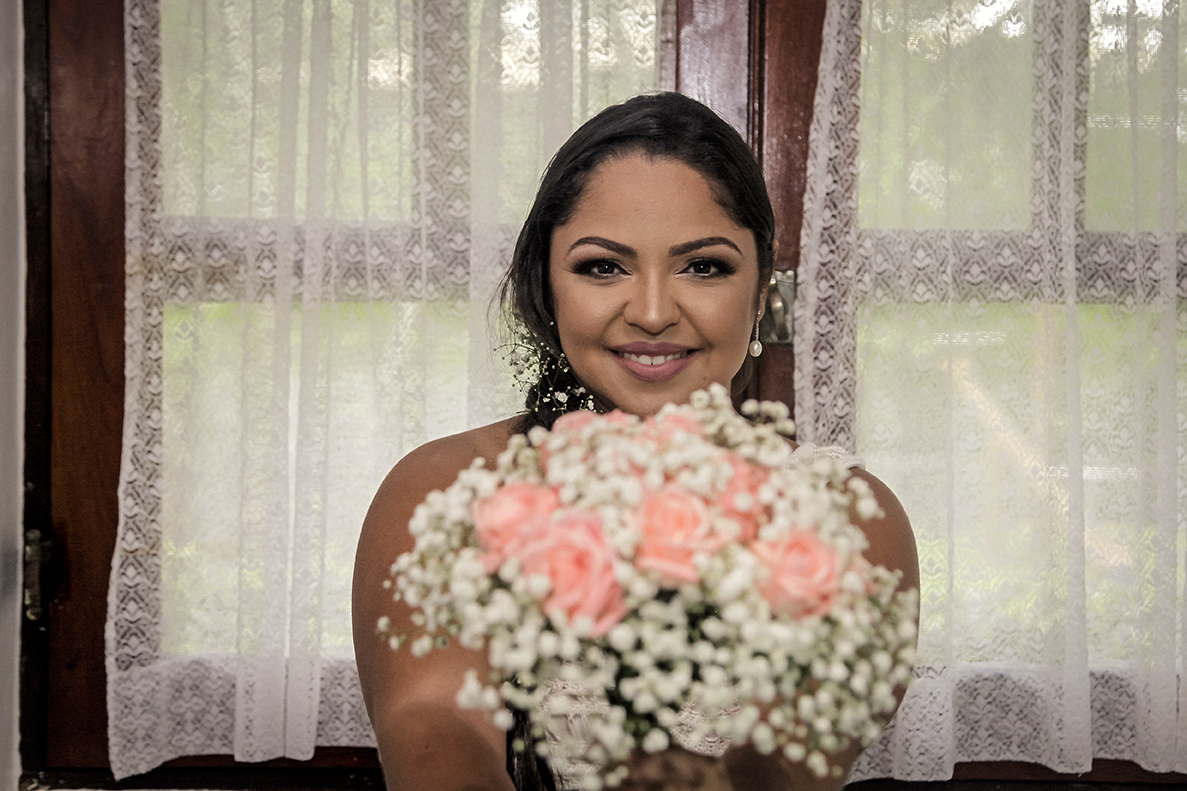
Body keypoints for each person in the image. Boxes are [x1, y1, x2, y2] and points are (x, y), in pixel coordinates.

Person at [352, 92, 919, 791]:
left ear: (761, 293)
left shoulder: (844, 521)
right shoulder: (443, 491)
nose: (652, 312)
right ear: (545, 286)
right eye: (602, 266)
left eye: (703, 266)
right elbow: (437, 729)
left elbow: (778, 768)